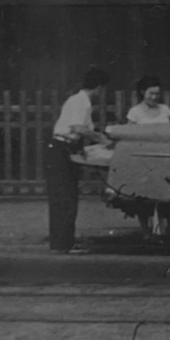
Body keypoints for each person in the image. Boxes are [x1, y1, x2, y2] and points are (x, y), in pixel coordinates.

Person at [46, 67, 109, 254]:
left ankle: (62, 242)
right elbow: (77, 128)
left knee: (65, 197)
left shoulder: (78, 100)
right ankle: (63, 244)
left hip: (65, 147)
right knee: (65, 198)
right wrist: (101, 138)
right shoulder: (82, 102)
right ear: (99, 87)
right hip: (61, 149)